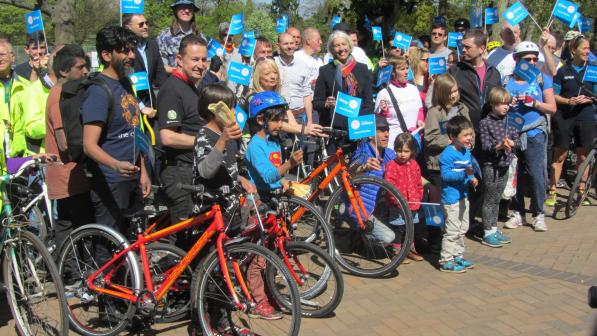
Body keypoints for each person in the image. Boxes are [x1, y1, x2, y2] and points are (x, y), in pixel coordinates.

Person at [81, 26, 150, 244]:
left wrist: (144, 171)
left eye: (132, 50)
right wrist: (115, 165)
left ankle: (127, 279)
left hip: (132, 178)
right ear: (106, 55)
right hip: (110, 181)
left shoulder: (126, 83)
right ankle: (103, 279)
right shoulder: (98, 91)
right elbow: (89, 145)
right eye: (125, 51)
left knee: (132, 241)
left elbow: (133, 131)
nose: (131, 56)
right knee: (109, 244)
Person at [44, 44, 93, 270]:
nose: (85, 72)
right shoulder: (59, 96)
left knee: (70, 221)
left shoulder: (67, 93)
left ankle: (70, 270)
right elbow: (65, 142)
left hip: (69, 174)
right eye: (79, 67)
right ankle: (71, 272)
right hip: (67, 174)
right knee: (73, 223)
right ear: (64, 71)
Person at [503, 41, 557, 232]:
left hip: (535, 132)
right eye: (528, 59)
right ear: (516, 60)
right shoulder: (506, 80)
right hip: (512, 132)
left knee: (536, 173)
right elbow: (496, 105)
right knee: (515, 174)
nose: (532, 62)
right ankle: (518, 213)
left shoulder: (542, 78)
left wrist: (534, 103)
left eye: (535, 58)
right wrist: (506, 105)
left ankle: (538, 214)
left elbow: (552, 107)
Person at [157, 34, 208, 230]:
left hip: (192, 170)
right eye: (195, 59)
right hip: (179, 173)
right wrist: (204, 141)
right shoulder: (172, 89)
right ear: (179, 60)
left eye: (204, 60)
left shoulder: (192, 87)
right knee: (182, 238)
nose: (201, 65)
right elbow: (167, 137)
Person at [548, 36, 596, 207]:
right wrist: (568, 101)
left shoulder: (593, 70)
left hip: (586, 115)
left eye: (588, 48)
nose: (587, 51)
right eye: (584, 48)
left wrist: (590, 99)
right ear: (574, 50)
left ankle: (581, 191)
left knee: (583, 154)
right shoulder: (563, 70)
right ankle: (552, 190)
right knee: (560, 154)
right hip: (565, 116)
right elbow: (554, 94)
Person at [478, 87, 519, 247]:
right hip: (491, 166)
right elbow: (485, 146)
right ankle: (487, 231)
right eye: (502, 104)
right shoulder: (485, 123)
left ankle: (494, 228)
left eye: (507, 104)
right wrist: (499, 145)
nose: (506, 107)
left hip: (505, 165)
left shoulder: (510, 120)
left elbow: (519, 142)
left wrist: (513, 143)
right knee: (489, 199)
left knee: (497, 198)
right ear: (493, 104)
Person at [245, 91, 303, 199]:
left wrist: (282, 180)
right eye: (276, 120)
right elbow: (267, 176)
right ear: (260, 120)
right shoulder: (255, 146)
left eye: (282, 120)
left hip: (274, 194)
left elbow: (273, 169)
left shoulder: (274, 141)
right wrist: (289, 164)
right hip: (260, 198)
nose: (281, 125)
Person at [439, 116, 477, 273]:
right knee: (452, 230)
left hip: (463, 196)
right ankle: (446, 260)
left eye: (470, 134)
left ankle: (457, 256)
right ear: (453, 137)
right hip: (451, 199)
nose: (469, 138)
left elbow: (467, 169)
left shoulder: (466, 151)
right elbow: (446, 176)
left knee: (463, 228)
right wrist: (464, 175)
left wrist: (471, 177)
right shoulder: (447, 155)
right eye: (465, 135)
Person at [350, 115, 396, 246]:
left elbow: (404, 167)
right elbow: (349, 174)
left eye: (387, 130)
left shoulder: (389, 153)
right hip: (359, 208)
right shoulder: (362, 153)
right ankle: (362, 237)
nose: (386, 134)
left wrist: (427, 184)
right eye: (381, 130)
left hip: (378, 206)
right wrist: (364, 167)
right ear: (370, 135)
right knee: (389, 238)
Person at [313, 30, 373, 130]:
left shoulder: (362, 69)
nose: (341, 49)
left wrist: (360, 123)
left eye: (344, 44)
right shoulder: (325, 71)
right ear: (331, 50)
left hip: (358, 125)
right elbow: (316, 102)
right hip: (335, 128)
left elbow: (368, 101)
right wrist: (326, 104)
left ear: (349, 46)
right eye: (337, 45)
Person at [424, 74, 471, 190]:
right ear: (442, 93)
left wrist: (470, 143)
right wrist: (453, 141)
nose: (454, 95)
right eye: (450, 92)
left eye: (456, 91)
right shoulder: (434, 112)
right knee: (445, 201)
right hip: (440, 166)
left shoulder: (462, 109)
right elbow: (430, 138)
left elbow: (471, 132)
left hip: (460, 163)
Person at [448, 30, 501, 133]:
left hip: (491, 133)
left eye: (468, 47)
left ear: (481, 49)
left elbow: (500, 99)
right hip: (464, 133)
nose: (463, 50)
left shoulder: (494, 73)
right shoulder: (454, 71)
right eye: (462, 46)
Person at [384, 132, 425, 262]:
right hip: (397, 205)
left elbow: (419, 184)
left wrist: (418, 197)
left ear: (412, 151)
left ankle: (409, 250)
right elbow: (389, 185)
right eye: (399, 150)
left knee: (410, 228)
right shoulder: (392, 165)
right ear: (395, 150)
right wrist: (396, 200)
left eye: (406, 151)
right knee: (399, 229)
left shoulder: (414, 165)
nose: (402, 154)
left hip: (412, 204)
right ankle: (396, 252)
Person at [123, 14, 168, 116]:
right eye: (141, 24)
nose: (145, 26)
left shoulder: (152, 44)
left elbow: (161, 75)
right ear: (128, 27)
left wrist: (168, 97)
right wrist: (140, 106)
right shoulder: (124, 49)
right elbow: (123, 82)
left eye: (146, 23)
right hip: (130, 103)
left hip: (151, 103)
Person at [374, 56, 424, 149]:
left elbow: (420, 109)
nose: (406, 72)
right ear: (392, 72)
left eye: (407, 68)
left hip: (413, 142)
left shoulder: (413, 88)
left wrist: (420, 120)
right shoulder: (384, 93)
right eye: (402, 69)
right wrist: (384, 111)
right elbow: (378, 121)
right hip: (394, 144)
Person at [275, 32, 313, 126]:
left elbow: (307, 94)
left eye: (291, 43)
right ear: (278, 45)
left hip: (299, 115)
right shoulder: (273, 64)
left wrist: (310, 121)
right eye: (286, 44)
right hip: (278, 115)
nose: (289, 46)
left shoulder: (303, 65)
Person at [0, 38, 30, 158]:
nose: (0, 58)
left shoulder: (26, 86)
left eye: (2, 54)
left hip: (22, 154)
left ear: (12, 57)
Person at [157, 0, 202, 73]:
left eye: (190, 7)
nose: (187, 10)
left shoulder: (200, 36)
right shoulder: (164, 36)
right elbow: (161, 66)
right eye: (183, 7)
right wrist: (181, 72)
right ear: (176, 9)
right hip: (173, 81)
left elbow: (206, 62)